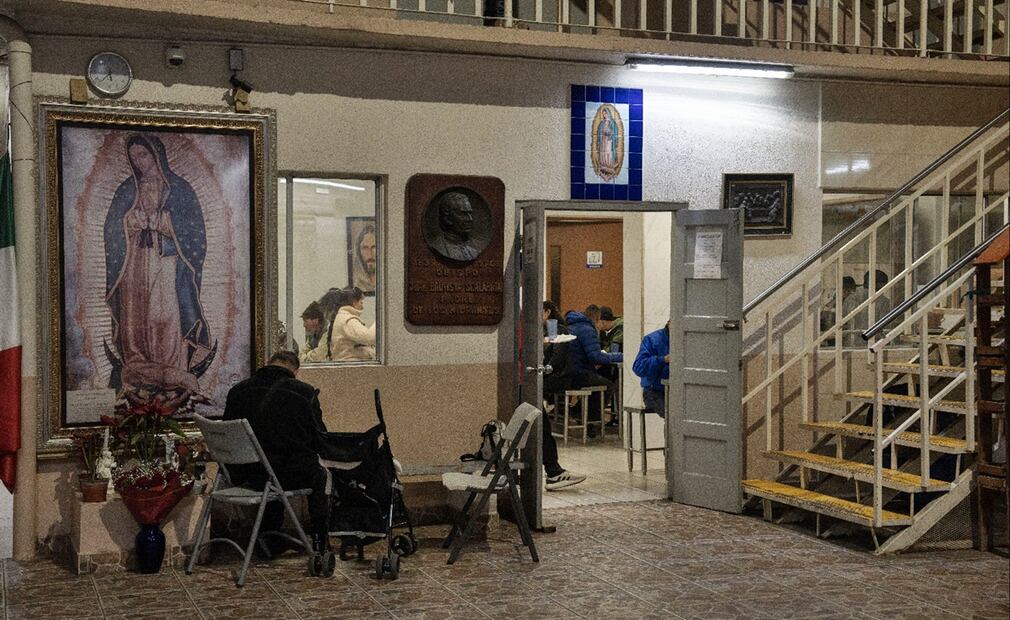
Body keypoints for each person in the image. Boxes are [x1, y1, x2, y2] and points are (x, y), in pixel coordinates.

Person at [104, 134, 212, 394]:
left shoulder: (179, 188)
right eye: (134, 157)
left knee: (162, 314)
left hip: (167, 262)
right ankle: (137, 363)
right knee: (134, 315)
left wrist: (164, 222)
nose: (139, 162)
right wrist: (130, 222)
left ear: (156, 154)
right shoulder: (127, 189)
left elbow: (194, 230)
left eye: (143, 155)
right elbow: (112, 227)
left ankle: (171, 366)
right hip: (134, 263)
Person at [222, 351, 330, 560]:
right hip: (284, 475)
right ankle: (319, 542)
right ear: (295, 371)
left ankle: (269, 540)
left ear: (268, 364)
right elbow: (320, 437)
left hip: (244, 476)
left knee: (271, 469)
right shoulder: (304, 393)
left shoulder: (237, 391)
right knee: (319, 476)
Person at [541, 301, 586, 490]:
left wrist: (544, 370)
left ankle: (554, 471)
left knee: (541, 425)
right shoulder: (544, 328)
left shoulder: (553, 328)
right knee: (541, 426)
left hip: (558, 377)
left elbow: (555, 358)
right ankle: (553, 471)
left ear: (547, 312)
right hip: (547, 375)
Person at [564, 304, 623, 435]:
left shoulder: (572, 325)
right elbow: (596, 356)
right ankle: (592, 421)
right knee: (607, 385)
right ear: (598, 320)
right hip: (579, 373)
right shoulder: (587, 329)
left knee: (599, 379)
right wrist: (620, 356)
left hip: (569, 371)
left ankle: (579, 412)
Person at [320, 287, 376, 362]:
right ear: (354, 302)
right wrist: (380, 319)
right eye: (361, 302)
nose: (363, 306)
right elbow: (369, 338)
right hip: (351, 367)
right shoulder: (347, 320)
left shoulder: (342, 318)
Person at [428, 192, 481, 262]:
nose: (470, 219)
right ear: (448, 218)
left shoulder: (474, 252)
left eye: (470, 213)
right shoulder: (437, 247)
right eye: (463, 214)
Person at [633, 322, 670, 417]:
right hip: (654, 392)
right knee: (672, 416)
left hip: (675, 391)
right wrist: (663, 359)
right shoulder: (652, 340)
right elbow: (638, 367)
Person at [353, 223, 377, 293]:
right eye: (365, 248)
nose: (370, 255)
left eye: (374, 247)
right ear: (359, 251)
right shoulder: (357, 285)